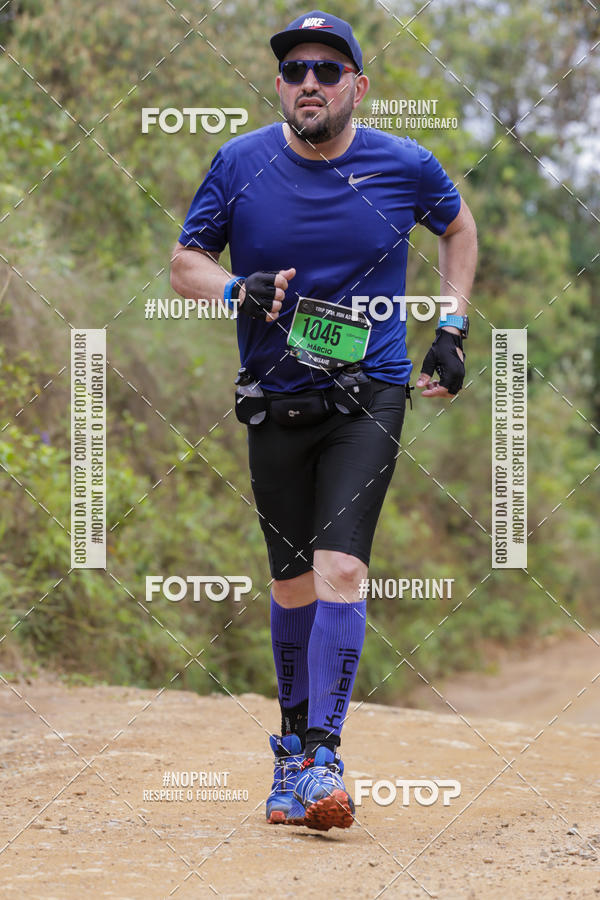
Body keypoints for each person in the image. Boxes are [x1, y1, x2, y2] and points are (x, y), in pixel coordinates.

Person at [170, 9, 477, 831]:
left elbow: (457, 227)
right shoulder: (238, 163)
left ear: (356, 87)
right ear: (279, 85)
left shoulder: (405, 164)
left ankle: (325, 752)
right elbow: (185, 263)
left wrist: (451, 327)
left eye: (327, 70)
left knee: (340, 567)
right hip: (274, 397)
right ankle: (292, 756)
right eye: (295, 70)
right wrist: (237, 289)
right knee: (293, 581)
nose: (310, 82)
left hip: (368, 394)